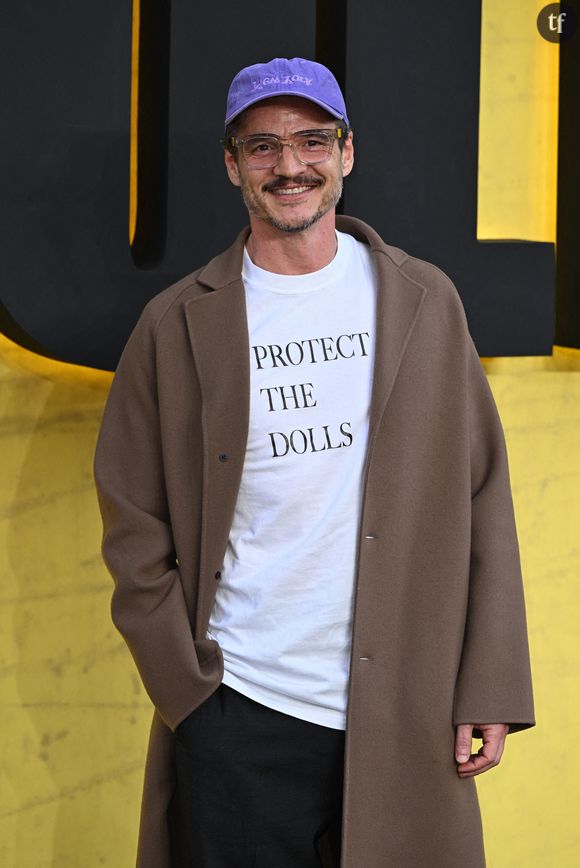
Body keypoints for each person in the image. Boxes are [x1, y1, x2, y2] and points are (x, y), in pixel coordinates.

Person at [93, 57, 535, 868]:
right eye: (262, 147)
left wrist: (491, 687)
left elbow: (484, 499)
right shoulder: (175, 324)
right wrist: (191, 696)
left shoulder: (424, 301)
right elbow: (132, 519)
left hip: (406, 705)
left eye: (311, 141)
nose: (289, 165)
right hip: (241, 708)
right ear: (232, 165)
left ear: (347, 153)